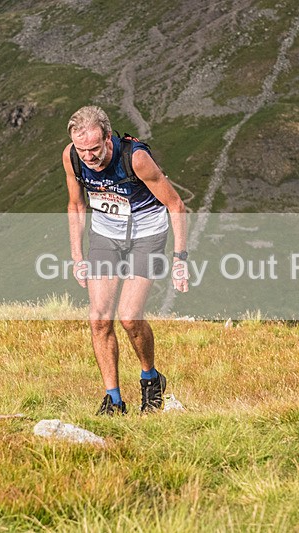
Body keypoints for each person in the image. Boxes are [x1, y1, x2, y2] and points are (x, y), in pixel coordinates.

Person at [62, 105, 189, 415]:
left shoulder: (135, 158)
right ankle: (114, 400)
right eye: (83, 150)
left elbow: (176, 205)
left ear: (108, 138)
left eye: (94, 149)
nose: (89, 157)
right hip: (106, 236)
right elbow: (76, 206)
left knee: (130, 317)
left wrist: (180, 258)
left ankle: (150, 378)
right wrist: (77, 256)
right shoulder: (72, 156)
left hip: (146, 234)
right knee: (99, 319)